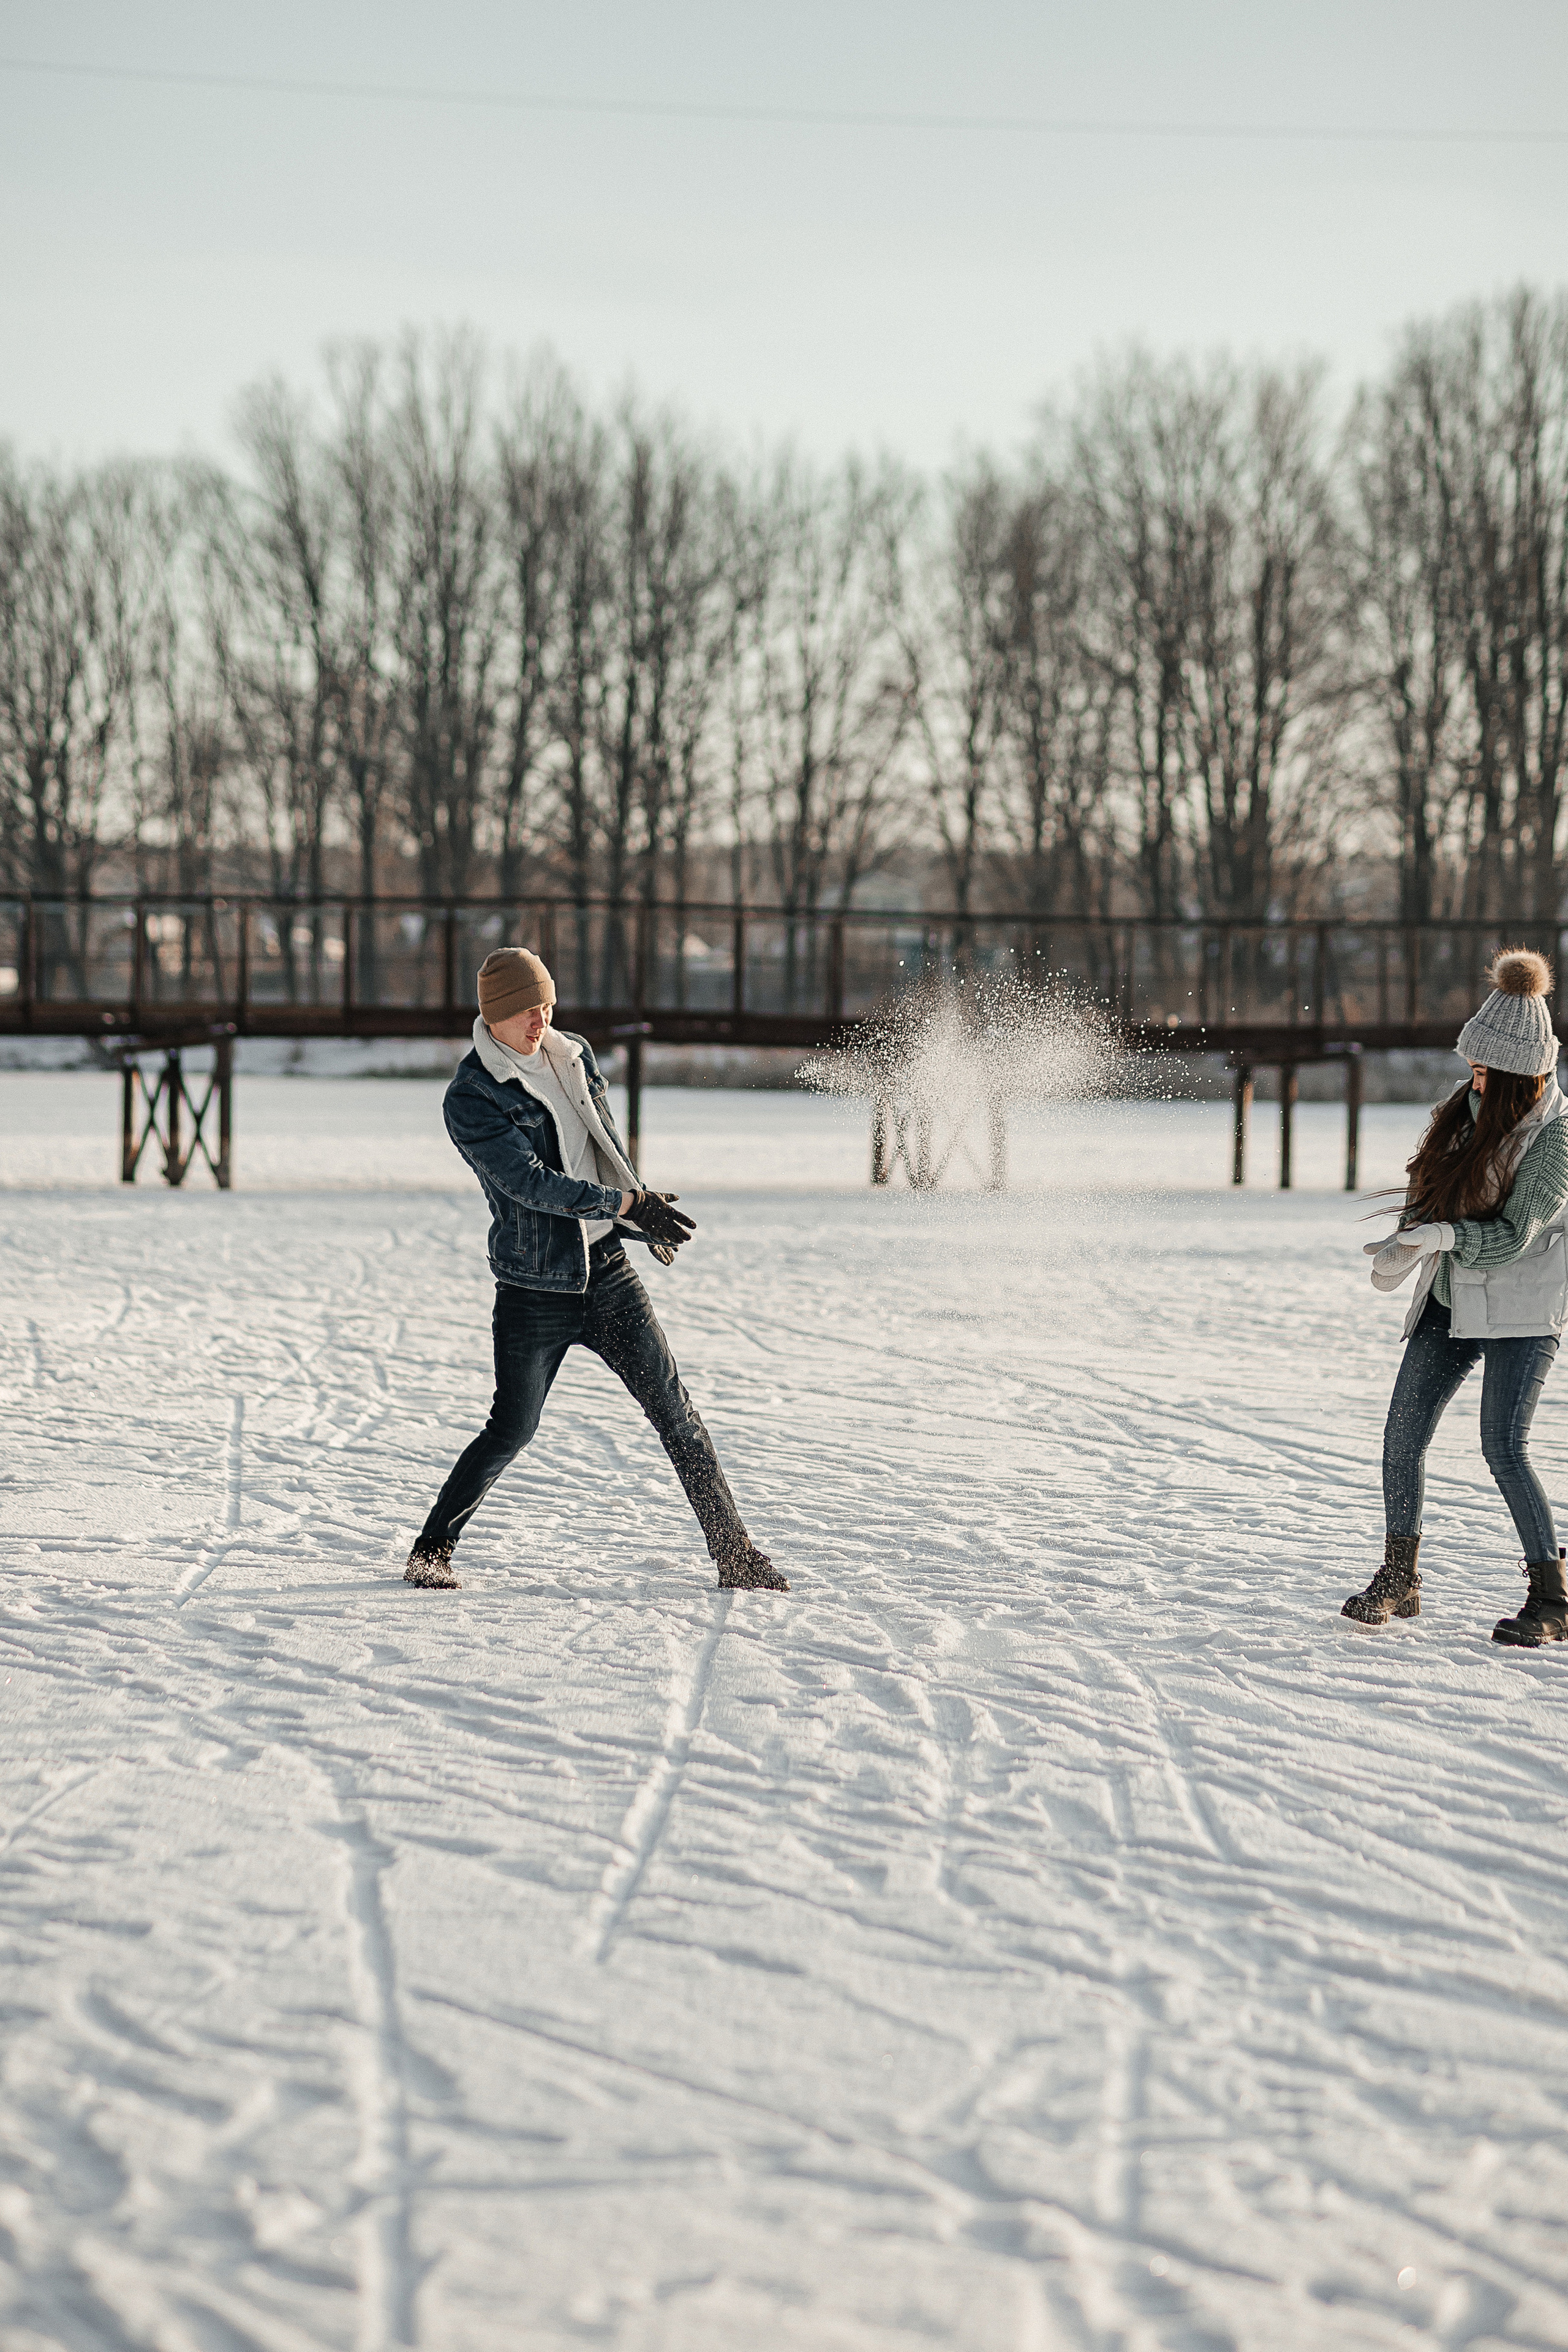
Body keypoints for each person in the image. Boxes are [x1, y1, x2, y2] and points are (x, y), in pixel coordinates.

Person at [405, 945, 787, 1594]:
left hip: (607, 1269)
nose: (541, 1019)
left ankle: (736, 1554)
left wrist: (636, 1210)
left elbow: (602, 1147)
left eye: (548, 1004)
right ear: (493, 1014)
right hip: (535, 1283)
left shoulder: (571, 1055)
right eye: (527, 1009)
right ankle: (431, 1549)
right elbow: (529, 1183)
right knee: (513, 1428)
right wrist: (624, 1203)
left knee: (677, 1414)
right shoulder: (472, 1097)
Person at [1348, 949, 1568, 1647]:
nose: (1471, 1081)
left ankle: (1552, 1597)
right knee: (1402, 1434)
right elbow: (1430, 1194)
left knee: (1503, 1445)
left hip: (1522, 1306)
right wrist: (1402, 1245)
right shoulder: (1466, 1110)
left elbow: (1511, 1237)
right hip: (1450, 1297)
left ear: (1520, 1075)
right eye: (1470, 1067)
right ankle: (1398, 1578)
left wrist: (1442, 1235)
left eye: (1483, 1071)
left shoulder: (1557, 1138)